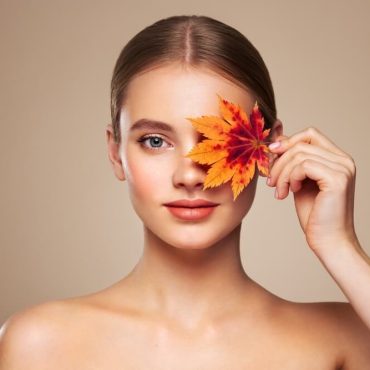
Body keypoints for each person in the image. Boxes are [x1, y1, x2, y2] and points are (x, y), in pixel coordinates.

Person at [1, 14, 369, 369]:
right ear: (115, 152)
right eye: (155, 141)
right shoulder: (38, 344)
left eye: (218, 140)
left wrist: (339, 244)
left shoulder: (344, 339)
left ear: (269, 147)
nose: (190, 176)